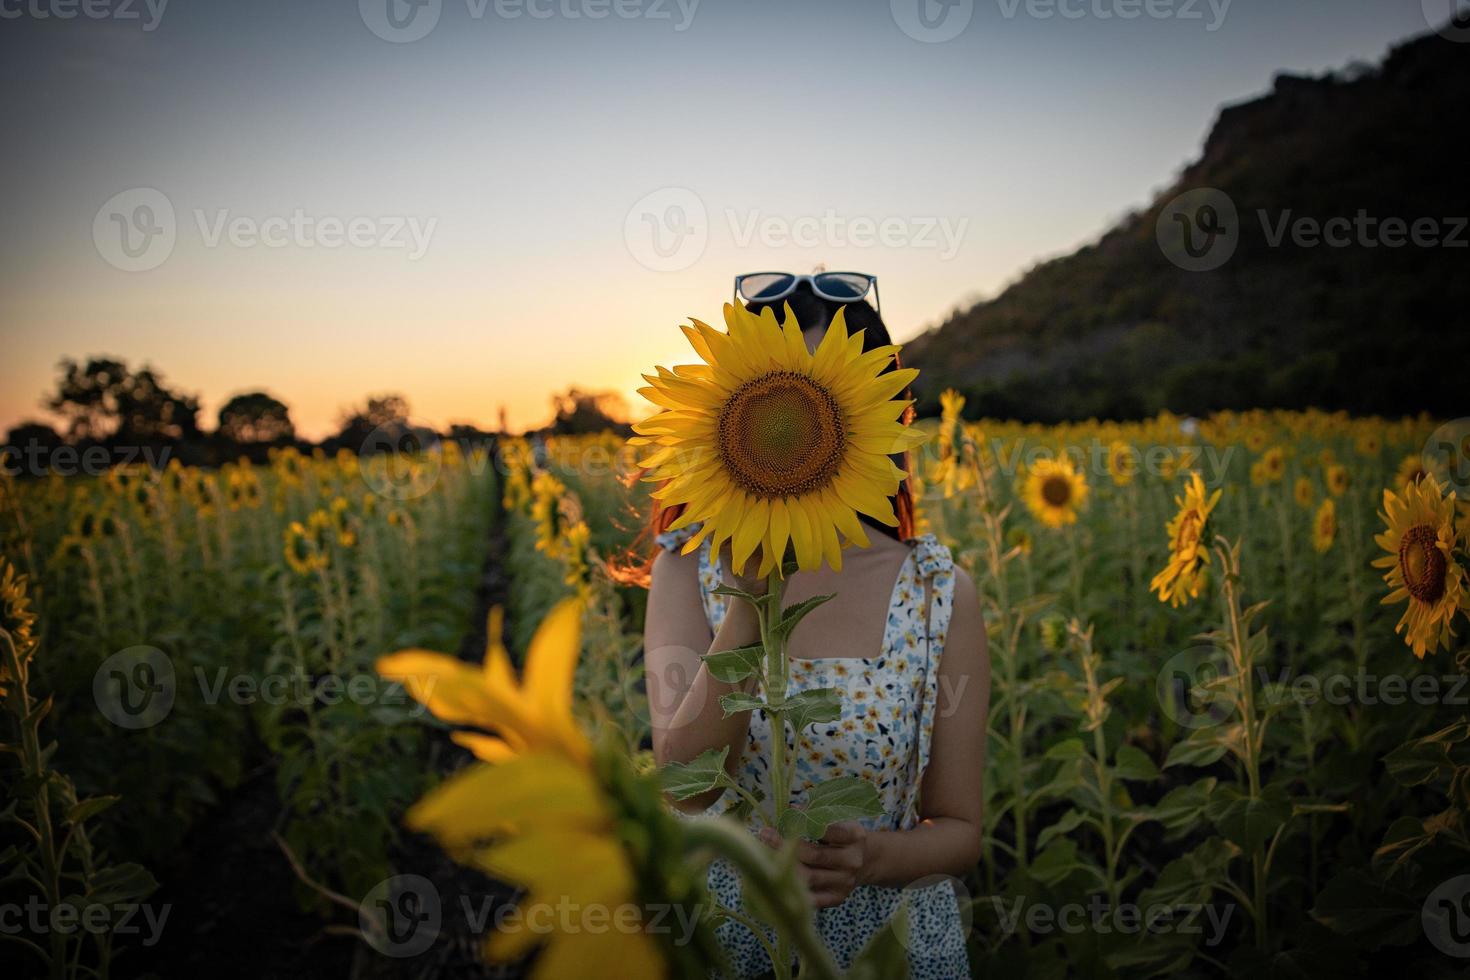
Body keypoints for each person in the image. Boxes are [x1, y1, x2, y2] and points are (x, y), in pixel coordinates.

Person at [635, 277, 990, 978]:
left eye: (815, 399)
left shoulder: (937, 591)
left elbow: (959, 829)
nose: (784, 430)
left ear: (871, 417)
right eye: (775, 395)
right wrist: (751, 591)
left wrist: (871, 858)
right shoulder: (687, 571)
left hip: (891, 947)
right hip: (732, 941)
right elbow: (686, 786)